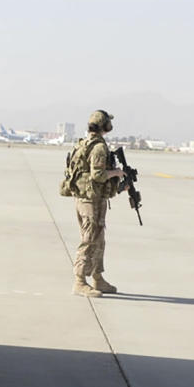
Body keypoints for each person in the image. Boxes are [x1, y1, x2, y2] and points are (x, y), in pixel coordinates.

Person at [69, 110, 125, 297]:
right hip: (90, 201)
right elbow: (98, 175)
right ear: (105, 126)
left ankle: (97, 278)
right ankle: (79, 281)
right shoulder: (99, 147)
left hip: (88, 198)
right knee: (89, 239)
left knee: (98, 239)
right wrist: (116, 173)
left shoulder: (85, 143)